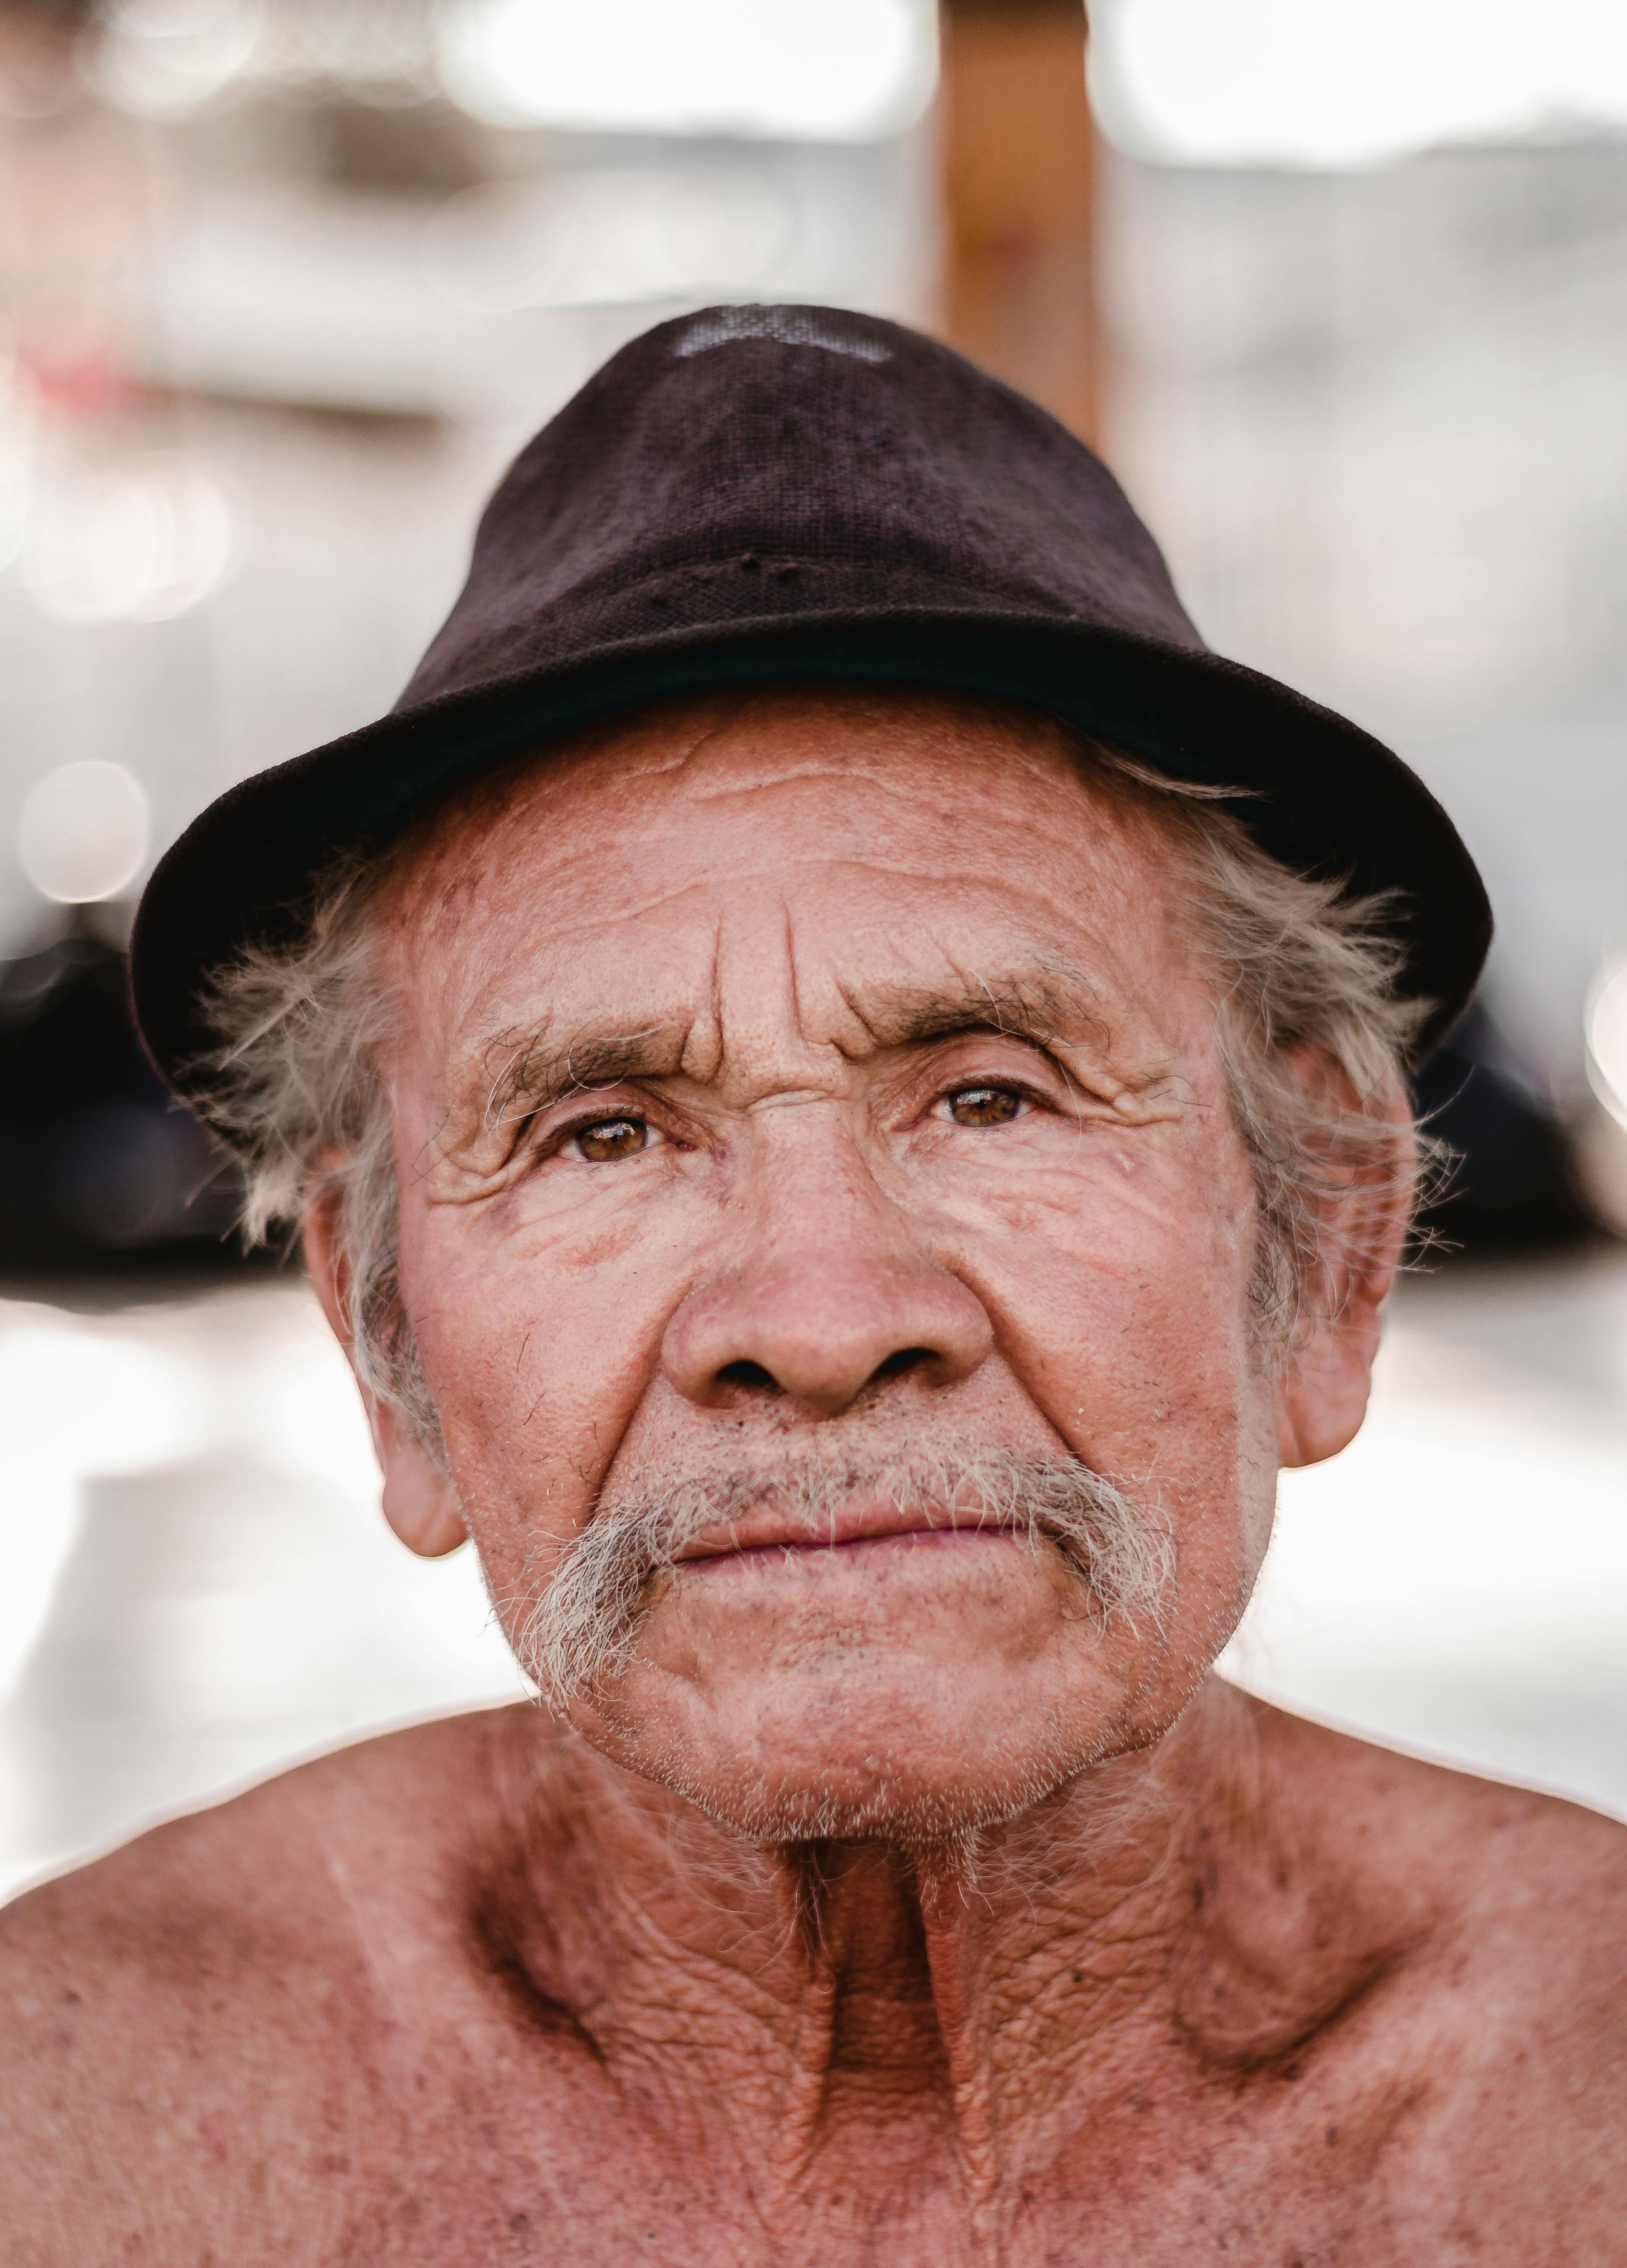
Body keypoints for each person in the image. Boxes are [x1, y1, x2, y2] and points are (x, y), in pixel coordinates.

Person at [2, 305, 1621, 2262]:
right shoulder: (80, 2128)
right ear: (383, 1336)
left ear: (1331, 1247)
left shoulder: (1577, 2106)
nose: (824, 1315)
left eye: (994, 1093)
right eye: (603, 1129)